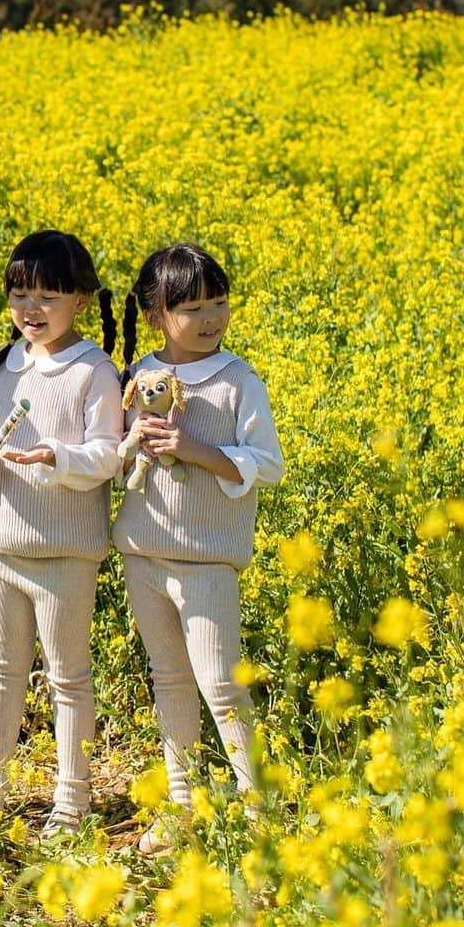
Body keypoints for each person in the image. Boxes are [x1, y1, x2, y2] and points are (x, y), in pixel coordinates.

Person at [112, 243, 284, 854]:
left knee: (220, 682)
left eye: (219, 301)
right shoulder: (134, 375)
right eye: (194, 307)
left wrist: (195, 451)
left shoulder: (239, 380)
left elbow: (268, 464)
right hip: (143, 551)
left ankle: (259, 807)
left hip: (209, 557)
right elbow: (112, 458)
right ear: (157, 314)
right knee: (170, 679)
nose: (212, 317)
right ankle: (181, 805)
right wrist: (131, 441)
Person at [0, 231, 123, 834]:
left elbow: (108, 454)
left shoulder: (94, 371)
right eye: (19, 294)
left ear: (81, 299)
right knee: (2, 668)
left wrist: (57, 456)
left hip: (65, 553)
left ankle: (72, 802)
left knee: (67, 676)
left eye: (47, 295)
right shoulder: (3, 367)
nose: (30, 308)